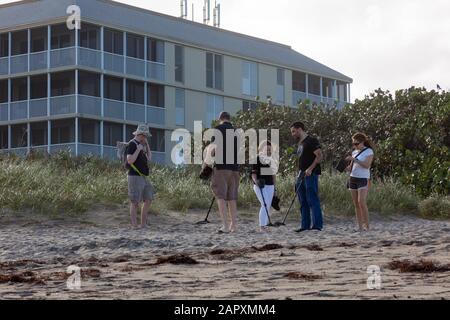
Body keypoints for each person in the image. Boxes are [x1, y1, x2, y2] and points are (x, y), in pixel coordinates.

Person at [290, 122, 324, 232]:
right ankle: (305, 226)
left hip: (311, 174)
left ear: (299, 129)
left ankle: (317, 226)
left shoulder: (311, 140)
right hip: (301, 174)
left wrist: (310, 168)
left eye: (293, 131)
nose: (292, 134)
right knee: (302, 200)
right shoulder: (300, 143)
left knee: (312, 199)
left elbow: (319, 156)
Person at [210, 112, 240, 234]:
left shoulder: (217, 129)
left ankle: (225, 226)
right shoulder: (236, 133)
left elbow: (213, 150)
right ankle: (234, 225)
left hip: (221, 167)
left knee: (221, 196)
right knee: (232, 198)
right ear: (229, 119)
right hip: (234, 169)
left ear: (220, 119)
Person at [127, 124, 155, 229]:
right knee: (135, 202)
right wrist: (138, 149)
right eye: (146, 136)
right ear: (141, 134)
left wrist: (146, 145)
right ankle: (134, 225)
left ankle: (143, 224)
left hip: (143, 176)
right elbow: (130, 160)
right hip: (134, 176)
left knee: (148, 198)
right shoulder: (132, 144)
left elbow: (149, 158)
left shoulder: (141, 144)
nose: (146, 138)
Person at [345, 133, 375, 232]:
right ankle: (360, 227)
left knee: (361, 201)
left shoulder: (369, 151)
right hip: (353, 178)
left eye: (357, 144)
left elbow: (366, 165)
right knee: (356, 204)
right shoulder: (354, 152)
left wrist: (354, 159)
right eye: (353, 144)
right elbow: (352, 166)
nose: (355, 146)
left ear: (362, 142)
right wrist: (349, 167)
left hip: (363, 178)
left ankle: (367, 226)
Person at [251, 140, 277, 232]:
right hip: (259, 185)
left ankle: (265, 225)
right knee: (265, 204)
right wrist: (256, 181)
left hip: (270, 185)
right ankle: (262, 226)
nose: (269, 152)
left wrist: (275, 189)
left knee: (267, 205)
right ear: (261, 149)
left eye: (270, 150)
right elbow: (253, 174)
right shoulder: (257, 159)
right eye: (267, 150)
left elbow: (273, 175)